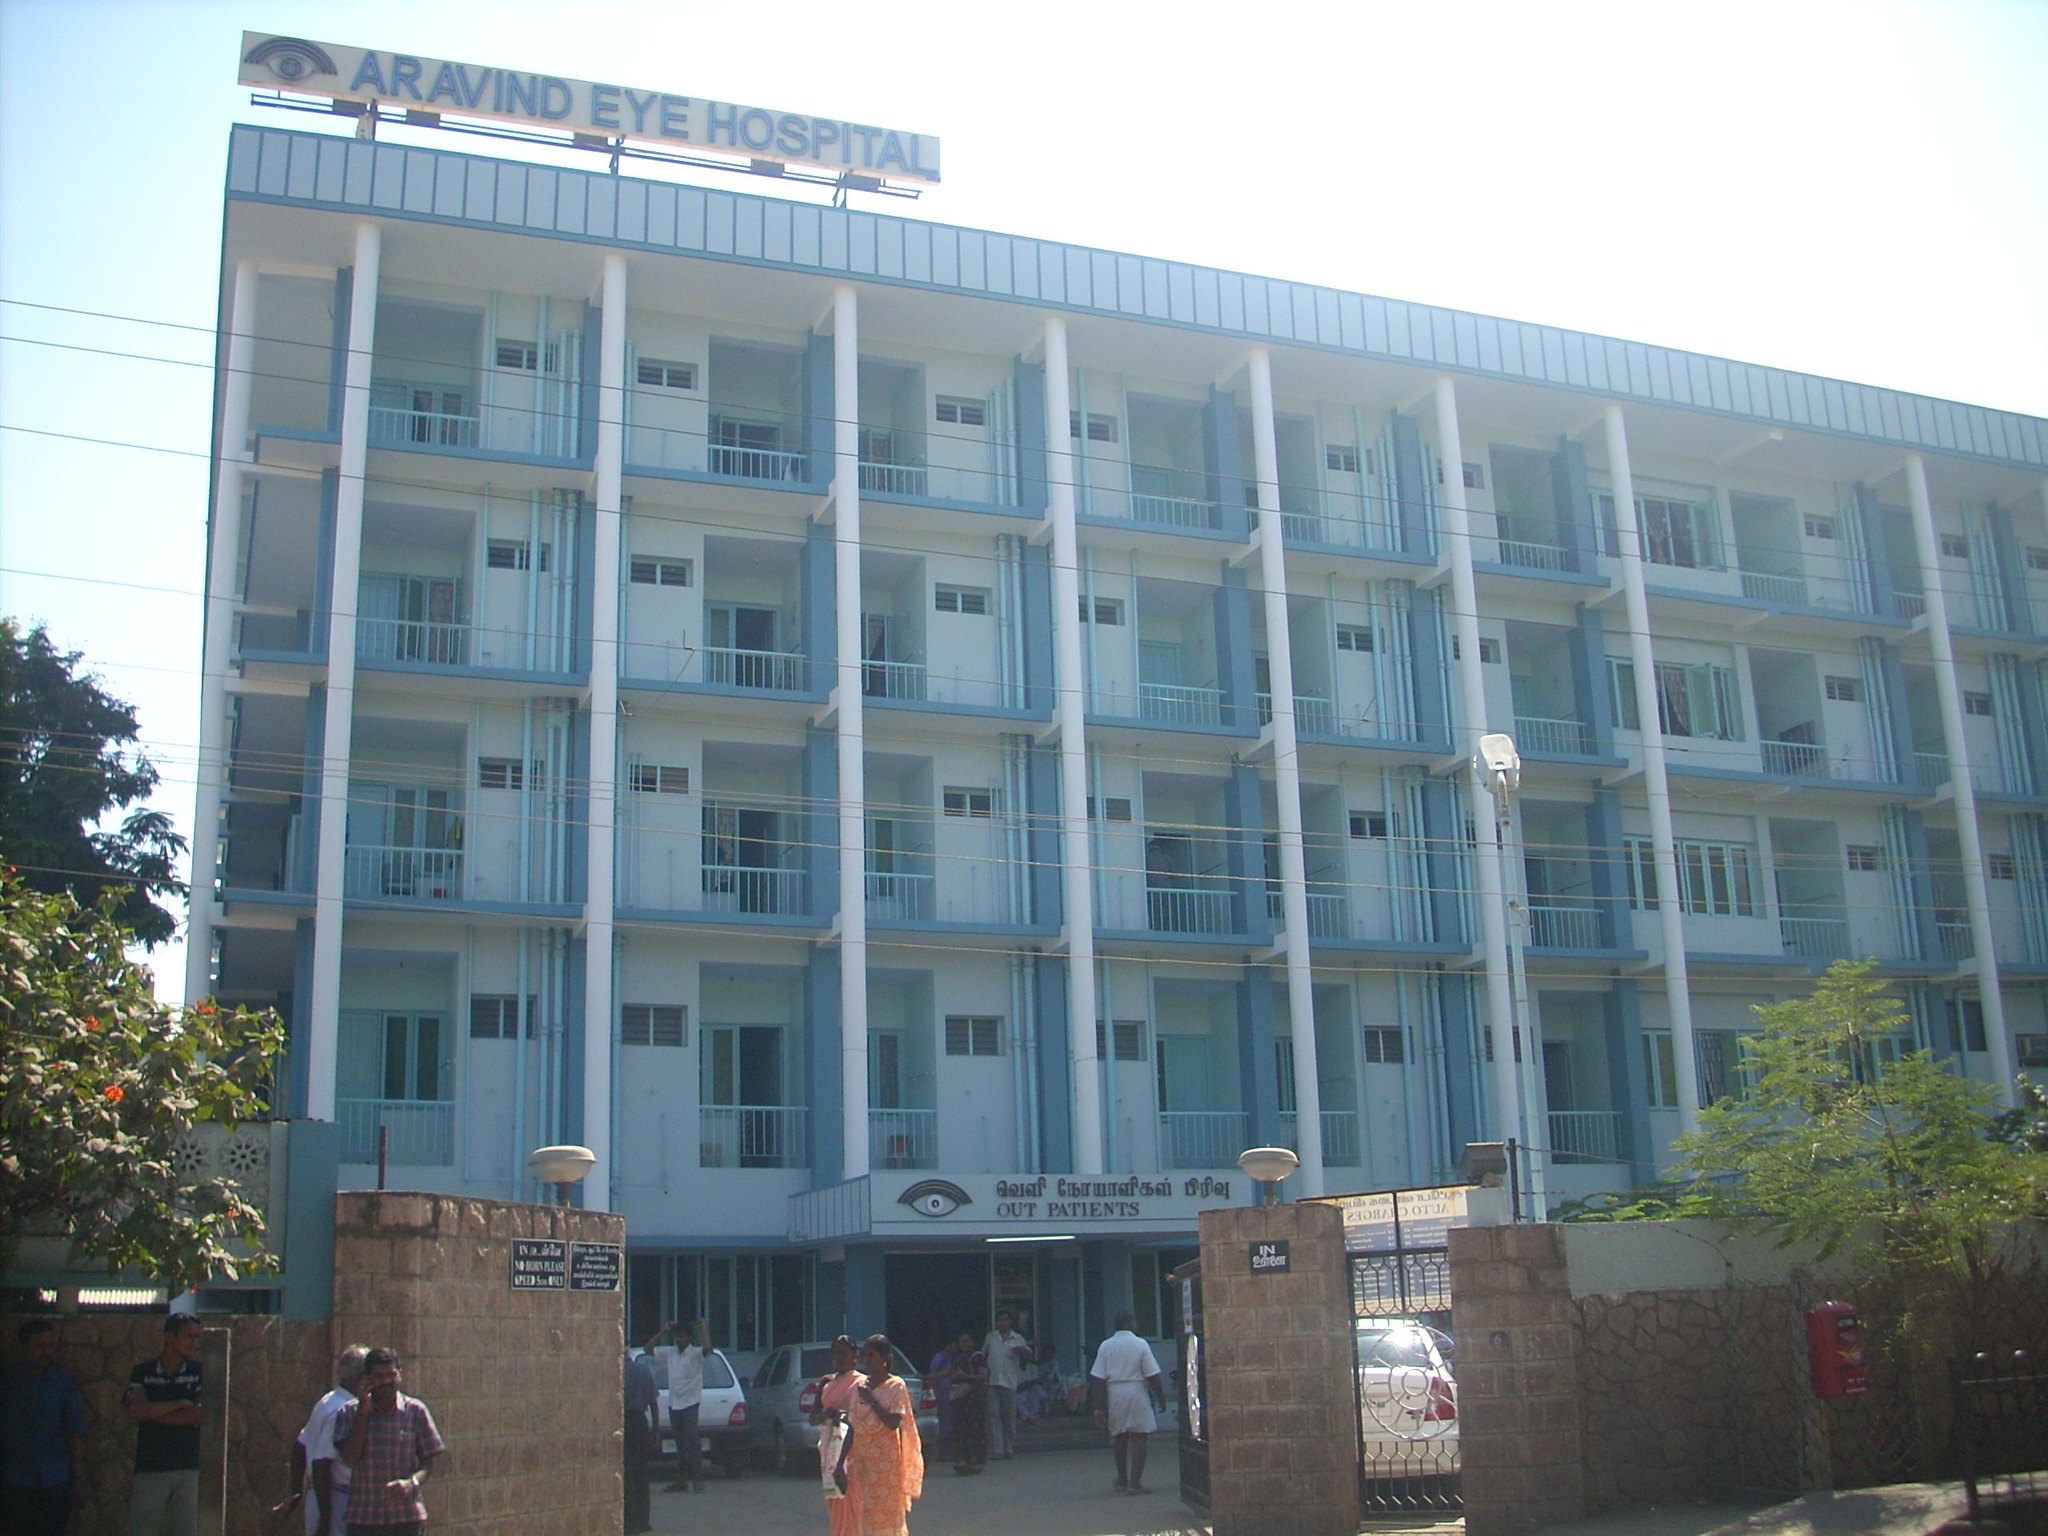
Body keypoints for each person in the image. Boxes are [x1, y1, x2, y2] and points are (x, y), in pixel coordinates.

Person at [334, 1347, 444, 1535]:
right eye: (379, 1376)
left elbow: (428, 1463)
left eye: (391, 1375)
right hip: (364, 1519)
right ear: (368, 1378)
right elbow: (351, 1459)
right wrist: (363, 1412)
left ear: (399, 1374)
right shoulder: (349, 1412)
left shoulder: (416, 1411)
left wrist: (411, 1483)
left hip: (406, 1518)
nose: (386, 1381)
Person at [1, 1319, 88, 1536]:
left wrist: (77, 1479)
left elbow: (75, 1431)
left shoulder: (62, 1383)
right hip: (13, 1478)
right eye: (38, 1346)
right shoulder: (7, 1382)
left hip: (54, 1479)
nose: (45, 1352)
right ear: (23, 1347)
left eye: (49, 1346)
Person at [271, 1344, 369, 1536]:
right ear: (361, 1377)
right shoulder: (343, 1409)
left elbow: (300, 1446)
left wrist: (296, 1492)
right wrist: (326, 1519)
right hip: (334, 1499)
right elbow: (321, 1463)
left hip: (319, 1497)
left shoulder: (327, 1401)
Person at [124, 1312, 203, 1536]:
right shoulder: (143, 1372)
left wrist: (153, 1413)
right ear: (169, 1336)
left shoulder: (199, 1372)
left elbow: (197, 1415)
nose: (193, 1343)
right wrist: (177, 1404)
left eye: (197, 1337)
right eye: (188, 1336)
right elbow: (135, 1409)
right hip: (150, 1467)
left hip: (188, 1467)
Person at [846, 1335, 922, 1536]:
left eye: (872, 1356)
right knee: (865, 1517)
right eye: (865, 1356)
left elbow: (893, 1422)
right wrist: (839, 1464)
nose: (867, 1361)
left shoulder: (896, 1386)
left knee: (888, 1517)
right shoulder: (859, 1387)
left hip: (886, 1465)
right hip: (863, 1463)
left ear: (885, 1359)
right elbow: (852, 1427)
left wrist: (872, 1400)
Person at [1089, 1312, 1165, 1495]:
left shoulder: (1106, 1346)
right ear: (1131, 1323)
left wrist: (1096, 1407)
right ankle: (1135, 1482)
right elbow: (1152, 1375)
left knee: (1120, 1437)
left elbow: (1097, 1378)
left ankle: (1122, 1479)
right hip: (1136, 1390)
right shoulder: (1140, 1344)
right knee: (1140, 1438)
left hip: (1115, 1392)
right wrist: (1160, 1396)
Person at [807, 1335, 862, 1536]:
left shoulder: (862, 1383)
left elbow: (863, 1417)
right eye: (836, 1353)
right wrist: (826, 1415)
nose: (839, 1358)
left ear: (854, 1356)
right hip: (829, 1448)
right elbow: (813, 1419)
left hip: (853, 1450)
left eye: (843, 1354)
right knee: (835, 1500)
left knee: (853, 1501)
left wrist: (844, 1416)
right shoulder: (827, 1382)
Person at [659, 1318, 709, 1494]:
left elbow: (708, 1349)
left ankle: (698, 1480)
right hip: (674, 1404)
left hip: (690, 1403)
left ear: (689, 1338)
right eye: (677, 1337)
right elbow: (647, 1349)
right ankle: (681, 1481)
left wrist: (703, 1329)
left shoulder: (695, 1353)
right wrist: (663, 1331)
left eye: (682, 1337)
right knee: (680, 1445)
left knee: (693, 1442)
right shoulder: (671, 1353)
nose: (679, 1340)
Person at [980, 1309, 1032, 1459]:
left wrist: (1022, 1351)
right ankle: (997, 1450)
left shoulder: (1018, 1338)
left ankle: (1008, 1446)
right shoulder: (991, 1337)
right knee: (993, 1416)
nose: (1003, 1323)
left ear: (1010, 1322)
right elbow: (983, 1356)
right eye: (1000, 1320)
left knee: (1009, 1417)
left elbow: (1030, 1356)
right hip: (993, 1381)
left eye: (1006, 1320)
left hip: (1010, 1382)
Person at [623, 1347, 659, 1535]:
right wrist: (656, 1430)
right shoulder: (644, 1371)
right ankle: (644, 1521)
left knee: (626, 1475)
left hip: (623, 1422)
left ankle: (630, 1523)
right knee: (641, 1473)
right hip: (640, 1422)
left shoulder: (617, 1372)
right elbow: (654, 1403)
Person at [946, 1334, 987, 1476]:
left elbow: (983, 1376)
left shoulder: (978, 1358)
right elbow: (949, 1372)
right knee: (961, 1430)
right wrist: (926, 1377)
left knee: (974, 1431)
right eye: (961, 1342)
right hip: (961, 1400)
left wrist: (965, 1377)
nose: (964, 1345)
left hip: (975, 1400)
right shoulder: (959, 1359)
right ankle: (961, 1462)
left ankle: (975, 1463)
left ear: (973, 1342)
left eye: (967, 1341)